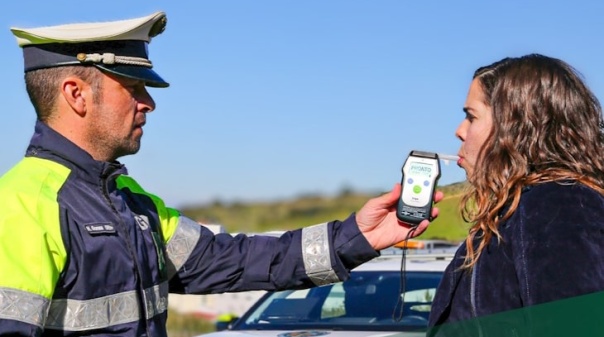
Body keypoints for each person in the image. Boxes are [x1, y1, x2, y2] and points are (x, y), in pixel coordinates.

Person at [0, 12, 443, 337]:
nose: (148, 104)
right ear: (76, 94)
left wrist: (358, 237)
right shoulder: (21, 205)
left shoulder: (130, 200)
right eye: (132, 88)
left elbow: (233, 261)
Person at [427, 54, 604, 336]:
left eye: (471, 116)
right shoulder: (518, 209)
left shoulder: (557, 205)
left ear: (517, 125)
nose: (459, 131)